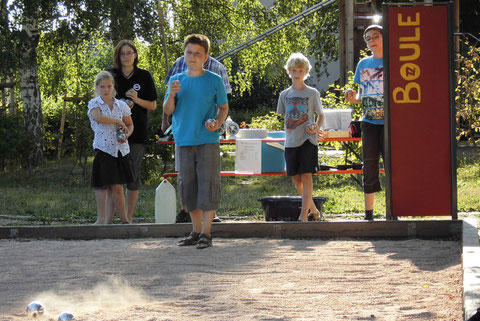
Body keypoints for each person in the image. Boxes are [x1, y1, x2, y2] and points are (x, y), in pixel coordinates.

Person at [163, 34, 228, 249]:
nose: (192, 56)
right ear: (184, 54)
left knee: (208, 186)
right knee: (188, 187)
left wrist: (217, 123)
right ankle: (195, 231)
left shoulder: (214, 80)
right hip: (183, 140)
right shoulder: (176, 80)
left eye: (197, 53)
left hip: (207, 140)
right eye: (189, 52)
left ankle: (207, 234)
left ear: (206, 57)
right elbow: (168, 110)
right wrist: (171, 95)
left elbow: (223, 108)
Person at [108, 40, 158, 224]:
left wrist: (136, 100)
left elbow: (153, 105)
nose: (126, 56)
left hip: (137, 133)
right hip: (112, 133)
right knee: (114, 176)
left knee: (132, 175)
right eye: (123, 53)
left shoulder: (144, 76)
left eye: (130, 53)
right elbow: (100, 100)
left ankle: (127, 218)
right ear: (118, 57)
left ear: (136, 55)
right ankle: (110, 217)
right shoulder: (110, 75)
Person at [276, 52, 325, 222]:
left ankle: (303, 215)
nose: (297, 74)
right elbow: (284, 117)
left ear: (306, 72)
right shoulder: (284, 95)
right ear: (289, 71)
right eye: (293, 71)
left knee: (306, 176)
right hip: (290, 140)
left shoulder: (312, 93)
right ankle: (314, 210)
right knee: (296, 179)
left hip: (307, 140)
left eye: (300, 71)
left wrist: (316, 127)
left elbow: (321, 115)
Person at [345, 24, 384, 221]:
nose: (371, 41)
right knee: (369, 166)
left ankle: (394, 212)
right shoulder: (363, 64)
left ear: (384, 37)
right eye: (367, 38)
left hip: (390, 122)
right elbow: (361, 94)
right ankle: (368, 215)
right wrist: (353, 98)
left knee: (393, 166)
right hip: (368, 122)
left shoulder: (394, 60)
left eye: (375, 36)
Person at [87, 71, 135, 224]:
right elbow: (98, 118)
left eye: (108, 86)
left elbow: (130, 124)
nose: (106, 90)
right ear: (97, 87)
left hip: (120, 149)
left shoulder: (121, 105)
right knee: (102, 186)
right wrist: (118, 121)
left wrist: (126, 134)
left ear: (113, 86)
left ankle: (123, 220)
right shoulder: (94, 103)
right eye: (102, 87)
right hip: (103, 148)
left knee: (118, 186)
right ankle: (101, 219)